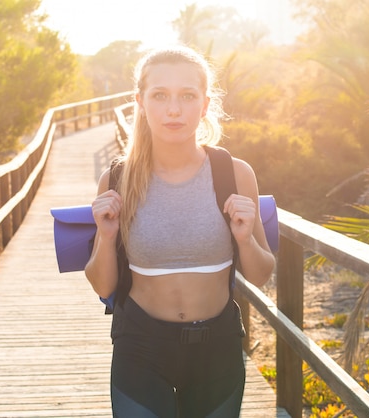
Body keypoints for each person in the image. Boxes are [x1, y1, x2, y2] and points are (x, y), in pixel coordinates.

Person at [85, 45, 275, 418]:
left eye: (187, 96)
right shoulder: (118, 179)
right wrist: (107, 237)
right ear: (140, 101)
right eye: (160, 96)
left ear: (204, 104)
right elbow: (103, 285)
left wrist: (244, 237)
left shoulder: (234, 174)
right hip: (140, 348)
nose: (174, 110)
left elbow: (262, 273)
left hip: (216, 349)